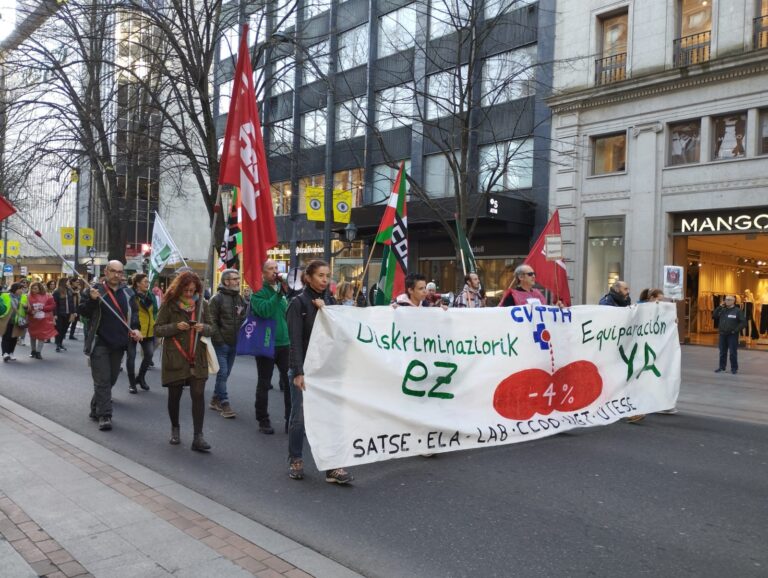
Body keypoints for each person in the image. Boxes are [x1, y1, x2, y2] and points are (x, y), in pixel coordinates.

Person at [286, 260, 352, 484]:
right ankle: (295, 458)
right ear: (308, 277)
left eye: (327, 275)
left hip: (327, 369)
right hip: (306, 369)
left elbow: (340, 332)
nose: (325, 280)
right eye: (320, 275)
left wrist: (326, 309)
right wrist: (297, 371)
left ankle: (332, 466)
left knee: (331, 417)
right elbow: (294, 339)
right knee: (300, 417)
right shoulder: (298, 303)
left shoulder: (330, 301)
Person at [154, 271, 214, 451]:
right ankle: (175, 429)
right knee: (175, 396)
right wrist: (175, 327)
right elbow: (157, 329)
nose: (189, 294)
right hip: (175, 357)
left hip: (197, 357)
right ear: (179, 289)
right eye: (186, 290)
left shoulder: (202, 304)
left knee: (198, 395)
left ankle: (198, 437)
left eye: (192, 290)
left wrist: (204, 327)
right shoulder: (169, 305)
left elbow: (213, 329)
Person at [80, 261, 143, 431]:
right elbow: (83, 312)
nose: (117, 275)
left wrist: (136, 329)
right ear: (106, 271)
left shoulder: (128, 293)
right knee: (103, 380)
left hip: (120, 343)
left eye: (120, 272)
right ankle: (105, 415)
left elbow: (134, 314)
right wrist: (92, 300)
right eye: (113, 271)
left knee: (111, 379)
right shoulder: (94, 290)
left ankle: (96, 407)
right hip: (99, 342)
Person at [251, 260, 291, 435]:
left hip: (285, 343)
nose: (275, 272)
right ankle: (263, 419)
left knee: (290, 383)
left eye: (276, 268)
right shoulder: (257, 294)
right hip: (267, 343)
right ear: (263, 274)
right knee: (264, 383)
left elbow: (286, 314)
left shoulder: (281, 293)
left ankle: (291, 419)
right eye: (271, 269)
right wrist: (278, 295)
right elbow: (265, 311)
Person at [208, 268, 246, 419]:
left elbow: (243, 318)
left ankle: (214, 399)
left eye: (238, 278)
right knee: (222, 373)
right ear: (226, 281)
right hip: (221, 344)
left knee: (226, 374)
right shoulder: (216, 299)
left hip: (234, 343)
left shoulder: (240, 299)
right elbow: (212, 322)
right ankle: (224, 403)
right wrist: (220, 340)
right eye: (235, 278)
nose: (238, 281)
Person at [126, 273, 157, 393]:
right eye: (145, 282)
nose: (147, 284)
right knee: (131, 357)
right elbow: (130, 313)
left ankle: (141, 378)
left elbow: (154, 311)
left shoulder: (149, 295)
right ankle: (132, 383)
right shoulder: (131, 295)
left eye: (148, 282)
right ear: (137, 283)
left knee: (149, 355)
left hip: (148, 331)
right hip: (133, 330)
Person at [713, 295, 747, 375]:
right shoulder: (722, 310)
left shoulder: (737, 311)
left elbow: (743, 322)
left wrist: (735, 330)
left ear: (733, 301)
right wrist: (719, 307)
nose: (726, 301)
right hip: (722, 334)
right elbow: (714, 316)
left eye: (728, 300)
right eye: (726, 299)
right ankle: (722, 367)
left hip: (732, 335)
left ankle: (734, 368)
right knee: (722, 352)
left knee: (732, 352)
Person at [26, 281, 57, 359]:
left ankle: (38, 352)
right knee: (32, 335)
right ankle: (33, 351)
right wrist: (30, 311)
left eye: (35, 288)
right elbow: (26, 307)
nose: (33, 290)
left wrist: (43, 308)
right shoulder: (28, 296)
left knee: (42, 336)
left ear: (40, 288)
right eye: (32, 288)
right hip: (32, 319)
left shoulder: (48, 295)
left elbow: (53, 305)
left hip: (44, 319)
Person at [1, 283, 26, 362]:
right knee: (6, 336)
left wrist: (26, 307)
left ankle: (11, 353)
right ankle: (5, 353)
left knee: (14, 337)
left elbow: (29, 308)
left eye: (22, 289)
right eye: (20, 289)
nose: (22, 291)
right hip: (7, 319)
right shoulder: (5, 296)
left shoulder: (24, 297)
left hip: (18, 320)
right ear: (14, 289)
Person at [52, 277, 75, 352]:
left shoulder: (69, 291)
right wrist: (54, 314)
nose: (69, 283)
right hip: (60, 313)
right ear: (63, 283)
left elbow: (72, 303)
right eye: (67, 282)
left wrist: (73, 312)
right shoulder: (57, 292)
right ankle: (58, 344)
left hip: (68, 313)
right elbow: (54, 304)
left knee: (64, 329)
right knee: (59, 329)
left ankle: (60, 343)